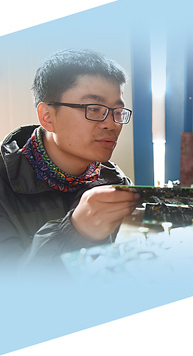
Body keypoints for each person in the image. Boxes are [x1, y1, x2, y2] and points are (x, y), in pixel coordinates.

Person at [0, 48, 141, 270]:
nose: (112, 124)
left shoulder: (115, 181)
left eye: (117, 112)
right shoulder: (4, 187)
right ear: (47, 116)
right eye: (94, 109)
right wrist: (74, 231)